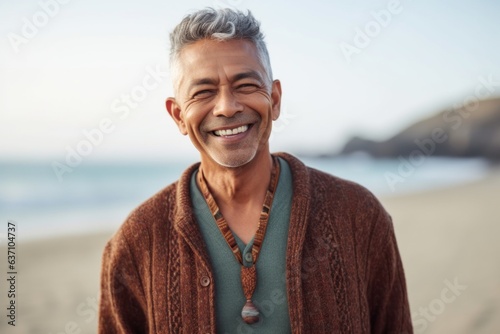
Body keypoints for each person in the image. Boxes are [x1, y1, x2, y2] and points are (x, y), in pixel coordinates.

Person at [98, 7, 413, 333]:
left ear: (274, 99)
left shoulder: (359, 216)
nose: (227, 107)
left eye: (246, 85)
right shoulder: (135, 244)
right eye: (203, 92)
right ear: (178, 115)